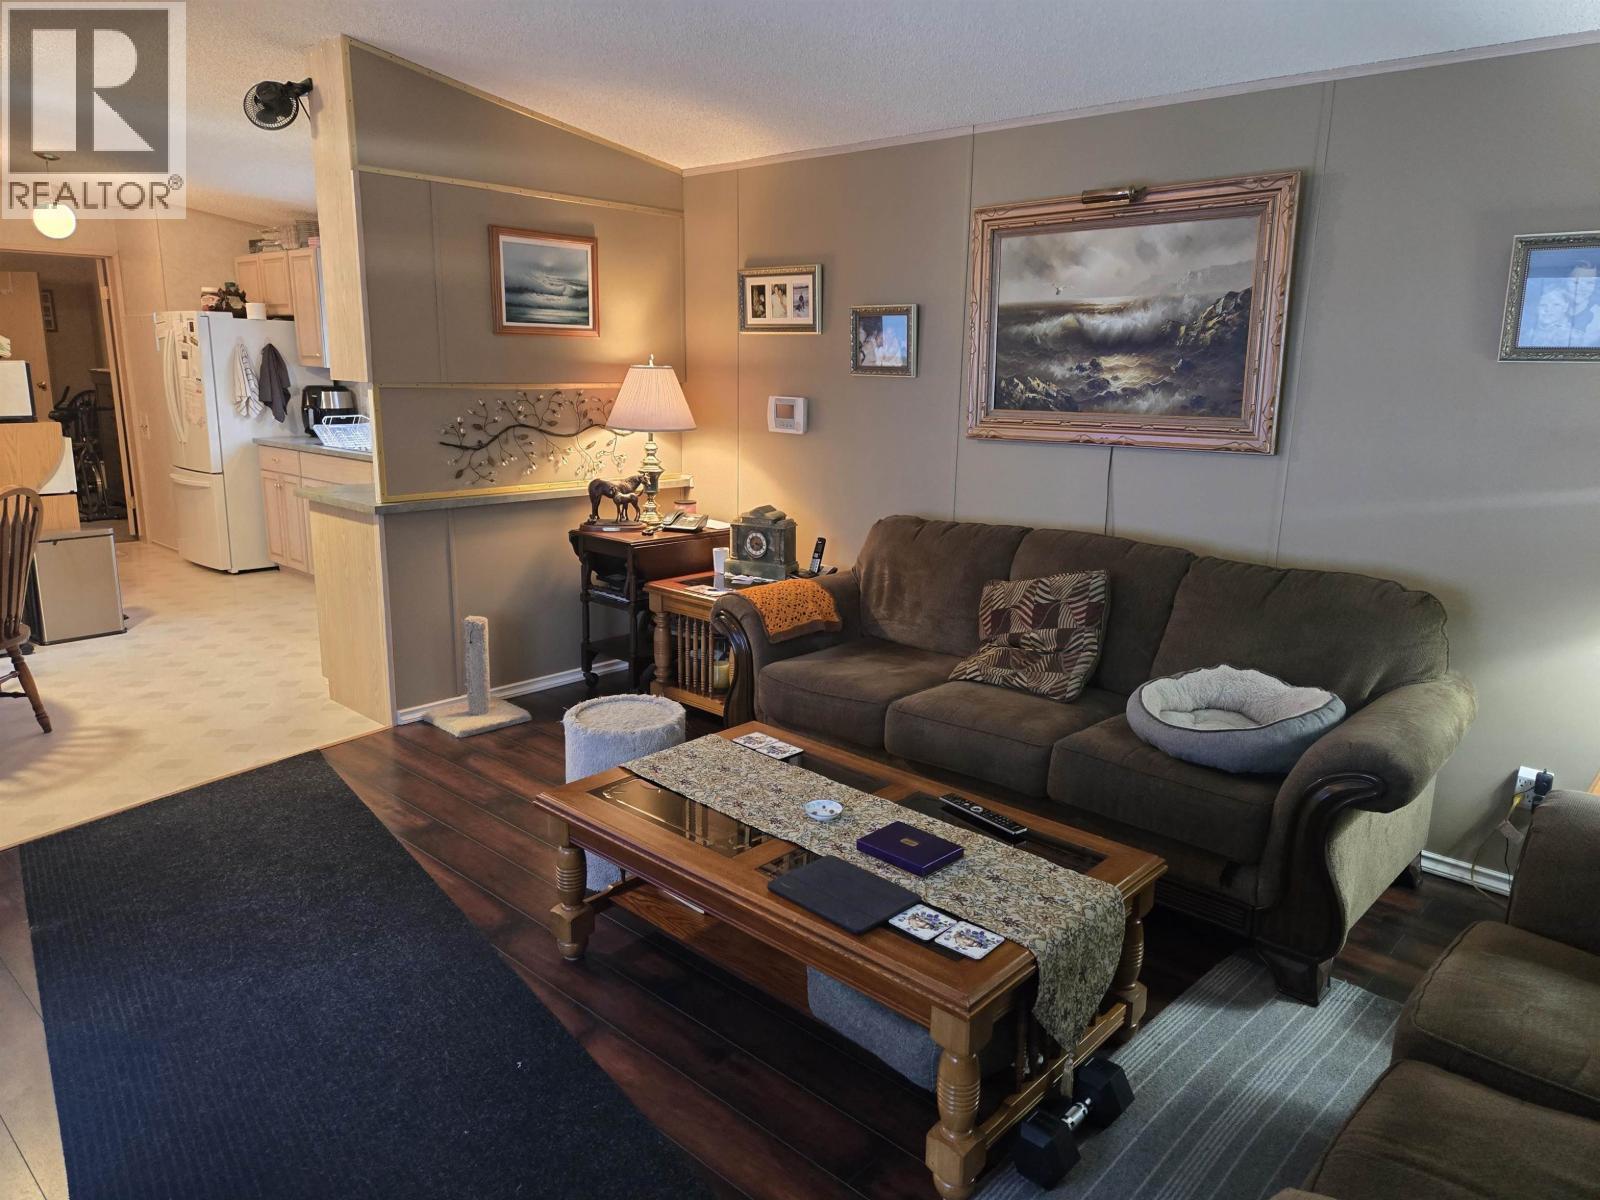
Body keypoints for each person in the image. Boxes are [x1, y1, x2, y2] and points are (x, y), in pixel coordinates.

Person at [1522, 282, 1576, 347]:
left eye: (1556, 305)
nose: (1548, 310)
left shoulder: (1574, 337)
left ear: (1565, 307)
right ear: (1536, 308)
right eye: (1543, 305)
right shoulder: (1525, 335)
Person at [1565, 261, 1600, 346]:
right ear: (1565, 282)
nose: (1582, 288)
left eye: (1589, 283)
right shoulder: (1548, 307)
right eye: (1576, 282)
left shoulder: (1597, 317)